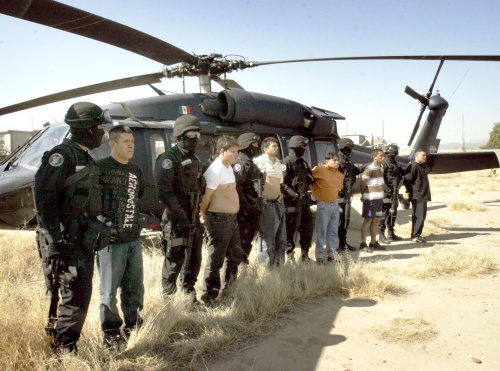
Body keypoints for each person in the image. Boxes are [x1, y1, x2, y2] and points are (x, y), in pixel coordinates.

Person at [34, 101, 107, 353]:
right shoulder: (62, 156)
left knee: (79, 296)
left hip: (81, 239)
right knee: (74, 298)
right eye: (99, 127)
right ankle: (64, 354)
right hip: (67, 241)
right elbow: (44, 200)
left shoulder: (84, 156)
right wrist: (55, 240)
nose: (102, 133)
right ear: (87, 128)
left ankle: (66, 347)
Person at [96, 125, 145, 351]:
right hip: (110, 242)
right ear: (112, 144)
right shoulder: (100, 168)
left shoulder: (136, 170)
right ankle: (111, 332)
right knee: (109, 290)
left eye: (132, 142)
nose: (131, 145)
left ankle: (133, 323)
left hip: (133, 238)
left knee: (134, 287)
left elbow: (138, 198)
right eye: (126, 142)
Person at [154, 115, 205, 299]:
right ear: (181, 136)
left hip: (192, 217)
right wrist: (182, 216)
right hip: (176, 219)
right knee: (174, 260)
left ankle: (189, 295)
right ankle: (168, 300)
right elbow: (164, 194)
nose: (196, 138)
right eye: (192, 133)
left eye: (198, 133)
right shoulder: (168, 159)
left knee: (194, 259)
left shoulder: (195, 159)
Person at [199, 136, 244, 307]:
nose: (236, 155)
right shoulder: (214, 171)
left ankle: (229, 289)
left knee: (235, 255)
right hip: (218, 220)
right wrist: (202, 214)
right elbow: (206, 197)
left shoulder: (228, 168)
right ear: (222, 151)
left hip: (231, 220)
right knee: (216, 257)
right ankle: (208, 296)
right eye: (233, 152)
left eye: (237, 152)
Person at [253, 137, 286, 267]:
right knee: (267, 239)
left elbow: (280, 183)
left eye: (277, 146)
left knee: (281, 238)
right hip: (267, 204)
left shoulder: (278, 163)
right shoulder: (258, 162)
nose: (277, 148)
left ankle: (279, 266)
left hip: (279, 204)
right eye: (274, 146)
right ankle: (265, 268)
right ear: (265, 149)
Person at [282, 135, 315, 262]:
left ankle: (305, 255)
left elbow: (311, 178)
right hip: (291, 201)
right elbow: (282, 183)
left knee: (307, 228)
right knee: (290, 229)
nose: (304, 149)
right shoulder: (287, 162)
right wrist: (293, 194)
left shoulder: (303, 162)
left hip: (304, 200)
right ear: (295, 147)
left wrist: (308, 179)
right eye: (302, 147)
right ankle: (290, 256)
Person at [232, 133, 263, 264]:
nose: (257, 148)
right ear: (246, 145)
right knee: (242, 241)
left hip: (251, 209)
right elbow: (237, 189)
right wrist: (248, 207)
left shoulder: (250, 163)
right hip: (243, 212)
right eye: (255, 145)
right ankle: (239, 267)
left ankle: (243, 264)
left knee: (248, 240)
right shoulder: (241, 163)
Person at [311, 152, 344, 265]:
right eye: (333, 160)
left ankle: (332, 254)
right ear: (327, 161)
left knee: (333, 232)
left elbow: (337, 189)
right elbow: (309, 179)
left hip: (334, 205)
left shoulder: (340, 175)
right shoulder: (319, 170)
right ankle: (319, 257)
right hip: (323, 205)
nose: (336, 162)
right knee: (321, 233)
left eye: (337, 160)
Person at [378, 144, 408, 243]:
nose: (392, 154)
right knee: (384, 214)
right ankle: (381, 235)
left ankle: (391, 233)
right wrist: (387, 190)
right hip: (386, 193)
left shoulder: (396, 164)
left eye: (394, 153)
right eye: (390, 153)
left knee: (393, 213)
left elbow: (402, 174)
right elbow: (381, 179)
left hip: (395, 192)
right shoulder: (384, 164)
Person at [337, 138, 362, 251]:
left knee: (345, 220)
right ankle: (337, 244)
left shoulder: (347, 160)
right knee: (339, 220)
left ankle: (343, 243)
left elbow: (355, 170)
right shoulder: (338, 160)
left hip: (347, 195)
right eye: (348, 147)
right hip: (339, 196)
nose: (350, 150)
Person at [359, 149, 386, 253]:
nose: (383, 157)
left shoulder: (381, 168)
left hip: (379, 199)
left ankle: (373, 242)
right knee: (367, 221)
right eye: (381, 156)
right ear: (375, 157)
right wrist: (364, 194)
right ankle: (363, 244)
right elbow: (362, 183)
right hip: (370, 199)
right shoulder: (369, 169)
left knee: (375, 220)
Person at [403, 148, 431, 243]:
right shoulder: (414, 166)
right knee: (420, 216)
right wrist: (409, 191)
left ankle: (415, 234)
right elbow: (407, 179)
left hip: (421, 195)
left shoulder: (421, 166)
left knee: (419, 216)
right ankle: (416, 235)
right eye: (423, 155)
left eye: (425, 156)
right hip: (418, 195)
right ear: (416, 156)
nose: (425, 157)